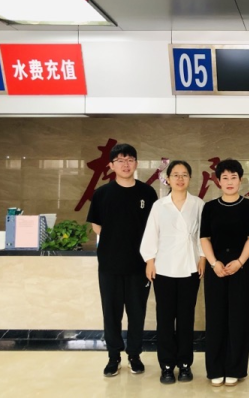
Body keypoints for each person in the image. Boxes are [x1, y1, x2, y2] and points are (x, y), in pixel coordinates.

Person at [86, 143, 158, 377]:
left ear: (136, 163)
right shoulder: (102, 194)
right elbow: (97, 226)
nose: (125, 164)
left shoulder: (147, 193)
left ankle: (134, 355)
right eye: (120, 160)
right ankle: (113, 356)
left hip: (139, 265)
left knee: (137, 313)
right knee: (111, 313)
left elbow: (154, 228)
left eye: (130, 160)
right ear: (111, 165)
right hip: (110, 265)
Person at [139, 160, 205, 384]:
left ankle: (185, 363)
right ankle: (166, 365)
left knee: (186, 318)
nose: (180, 178)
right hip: (164, 268)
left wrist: (203, 258)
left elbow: (203, 235)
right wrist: (149, 261)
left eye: (184, 174)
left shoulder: (198, 204)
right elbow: (151, 234)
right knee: (165, 318)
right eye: (175, 174)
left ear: (190, 178)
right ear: (167, 179)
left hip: (190, 267)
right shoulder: (160, 206)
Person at [200, 159, 249, 387]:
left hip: (240, 267)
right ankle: (215, 368)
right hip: (216, 267)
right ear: (218, 181)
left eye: (234, 177)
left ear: (240, 180)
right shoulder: (210, 207)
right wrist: (214, 263)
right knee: (215, 318)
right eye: (224, 177)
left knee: (238, 318)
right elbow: (204, 238)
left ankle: (235, 368)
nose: (229, 181)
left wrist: (240, 262)